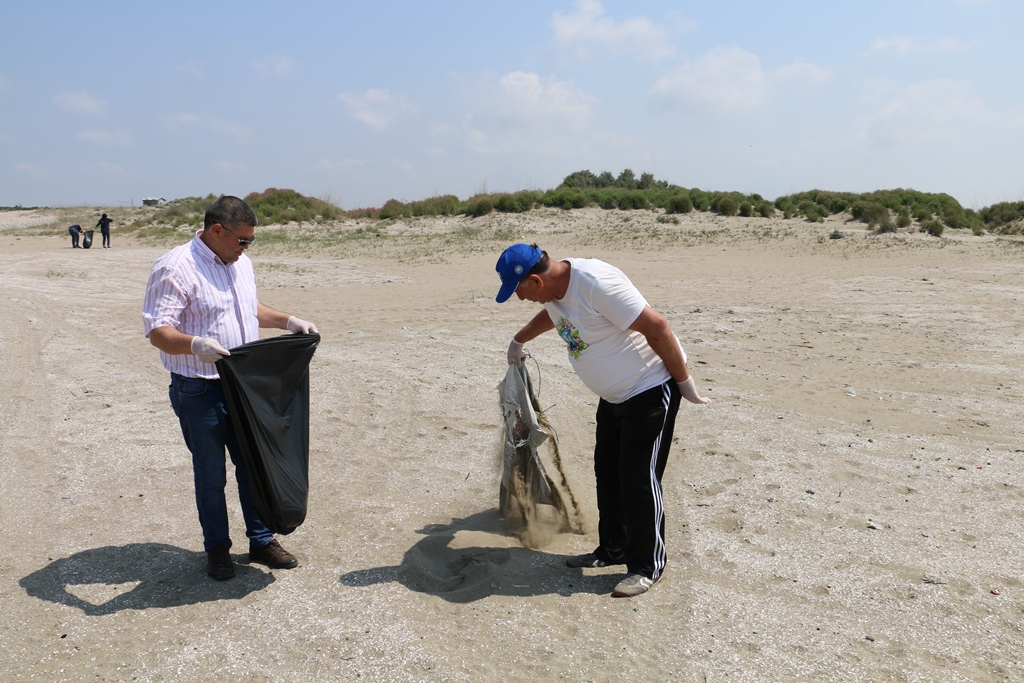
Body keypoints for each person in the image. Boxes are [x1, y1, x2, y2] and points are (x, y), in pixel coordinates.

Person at [495, 243, 709, 598]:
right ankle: (612, 549)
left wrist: (684, 384)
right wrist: (519, 339)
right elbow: (557, 315)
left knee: (638, 477)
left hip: (650, 389)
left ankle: (647, 566)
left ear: (535, 280)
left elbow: (657, 326)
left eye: (518, 291)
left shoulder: (595, 283)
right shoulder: (553, 292)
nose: (519, 298)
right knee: (607, 471)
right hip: (614, 396)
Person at [142, 195, 319, 580]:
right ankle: (218, 550)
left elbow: (248, 307)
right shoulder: (176, 267)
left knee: (254, 466)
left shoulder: (240, 262)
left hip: (244, 388)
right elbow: (158, 331)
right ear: (217, 231)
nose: (246, 248)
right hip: (198, 389)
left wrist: (289, 321)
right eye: (243, 240)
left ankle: (260, 540)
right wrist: (194, 345)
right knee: (210, 475)